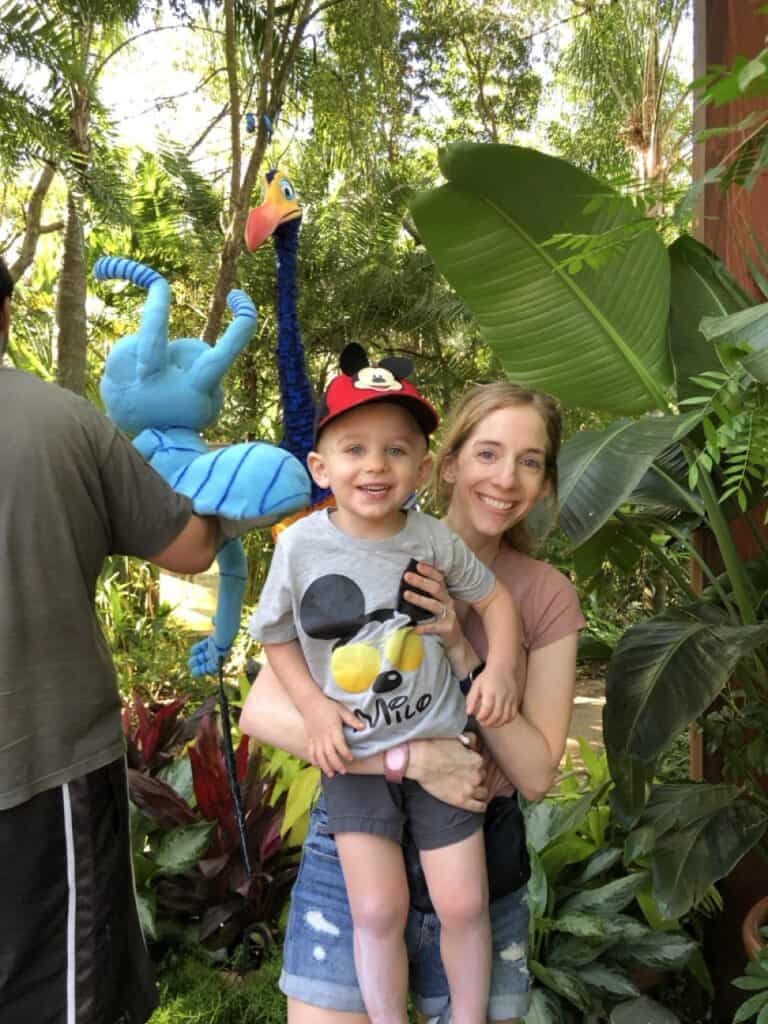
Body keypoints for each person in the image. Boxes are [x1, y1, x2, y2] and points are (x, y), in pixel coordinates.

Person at [242, 376, 586, 1024]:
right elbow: (264, 713)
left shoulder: (544, 596)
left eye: (530, 461)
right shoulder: (336, 547)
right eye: (488, 453)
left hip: (475, 852)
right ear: (450, 464)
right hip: (358, 837)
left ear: (544, 483)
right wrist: (410, 759)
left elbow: (537, 774)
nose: (506, 478)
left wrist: (467, 653)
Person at [0, 255, 228, 1024]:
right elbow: (191, 548)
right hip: (40, 768)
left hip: (40, 763)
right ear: (5, 316)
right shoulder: (63, 422)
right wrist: (241, 481)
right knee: (59, 993)